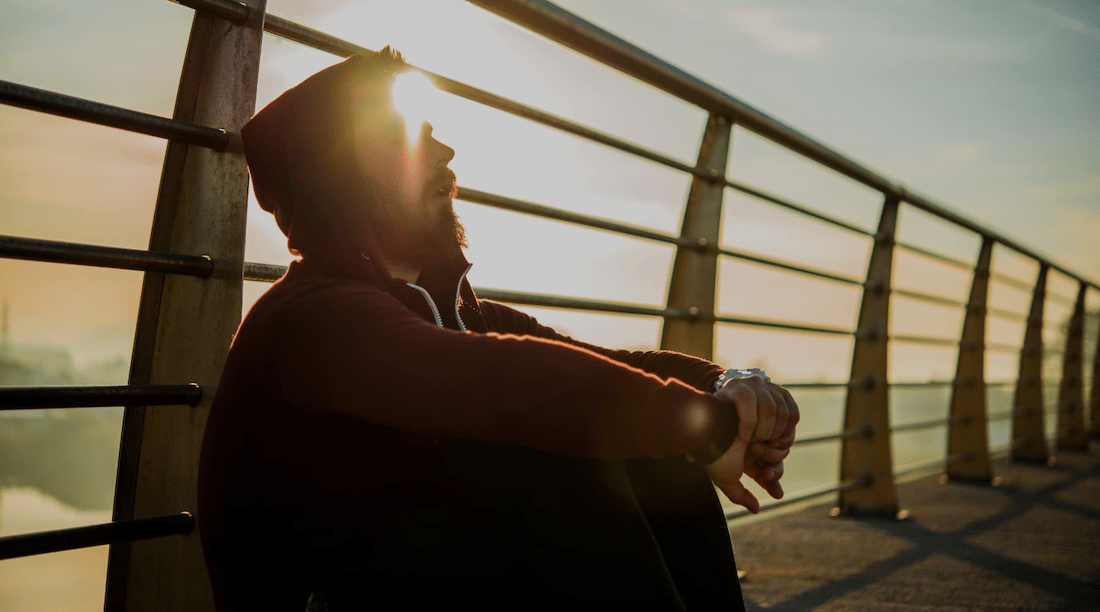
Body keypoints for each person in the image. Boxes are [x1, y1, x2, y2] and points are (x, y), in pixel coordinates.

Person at [198, 48, 798, 611]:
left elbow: (618, 366)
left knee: (652, 446)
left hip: (426, 580)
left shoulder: (459, 314)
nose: (445, 153)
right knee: (558, 447)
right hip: (327, 598)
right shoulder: (310, 318)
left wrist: (732, 386)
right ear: (339, 179)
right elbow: (513, 386)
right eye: (406, 140)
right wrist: (707, 428)